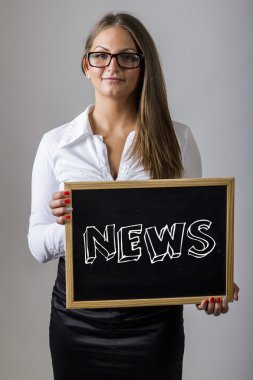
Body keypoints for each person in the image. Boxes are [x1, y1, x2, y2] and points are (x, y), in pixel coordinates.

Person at [28, 12, 239, 380]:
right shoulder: (55, 144)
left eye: (128, 56)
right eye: (101, 55)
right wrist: (72, 228)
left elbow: (189, 237)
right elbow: (36, 243)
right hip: (76, 321)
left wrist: (211, 283)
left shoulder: (179, 139)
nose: (113, 65)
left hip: (154, 323)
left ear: (143, 67)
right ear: (86, 66)